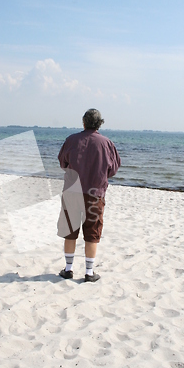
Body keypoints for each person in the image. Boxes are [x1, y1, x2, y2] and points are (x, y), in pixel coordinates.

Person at [57, 109, 121, 282]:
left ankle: (68, 269)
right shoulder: (106, 143)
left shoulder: (71, 140)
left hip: (72, 193)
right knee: (92, 232)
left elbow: (62, 162)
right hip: (95, 193)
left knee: (70, 231)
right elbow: (113, 169)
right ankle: (89, 272)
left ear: (84, 122)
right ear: (100, 123)